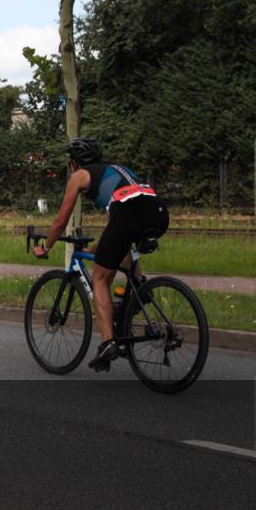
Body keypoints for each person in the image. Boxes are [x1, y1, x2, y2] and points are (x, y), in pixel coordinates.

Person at [32, 138, 169, 371]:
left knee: (100, 279)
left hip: (129, 215)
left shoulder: (80, 175)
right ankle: (140, 292)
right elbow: (115, 232)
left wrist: (46, 247)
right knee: (124, 252)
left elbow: (61, 219)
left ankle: (108, 343)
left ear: (75, 162)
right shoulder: (119, 170)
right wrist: (92, 250)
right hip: (158, 212)